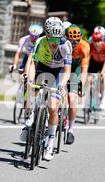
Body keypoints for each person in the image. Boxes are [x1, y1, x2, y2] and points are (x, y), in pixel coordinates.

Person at [20, 17, 72, 161]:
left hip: (58, 72)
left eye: (57, 39)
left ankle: (50, 143)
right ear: (46, 35)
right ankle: (28, 119)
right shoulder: (40, 42)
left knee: (53, 108)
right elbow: (32, 65)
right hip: (42, 67)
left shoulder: (66, 45)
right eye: (52, 39)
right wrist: (29, 80)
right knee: (31, 90)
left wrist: (62, 85)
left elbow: (67, 70)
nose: (55, 43)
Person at [65, 24, 89, 145]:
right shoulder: (62, 44)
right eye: (71, 40)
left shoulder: (84, 46)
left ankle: (71, 129)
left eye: (76, 41)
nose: (73, 44)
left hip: (76, 70)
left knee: (72, 98)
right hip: (63, 68)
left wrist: (81, 84)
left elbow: (84, 70)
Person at [88, 31, 105, 102]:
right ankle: (90, 95)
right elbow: (87, 58)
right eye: (95, 41)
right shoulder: (91, 46)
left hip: (103, 63)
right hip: (94, 62)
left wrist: (102, 72)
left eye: (99, 41)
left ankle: (103, 94)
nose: (97, 43)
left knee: (102, 78)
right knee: (89, 78)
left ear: (102, 40)